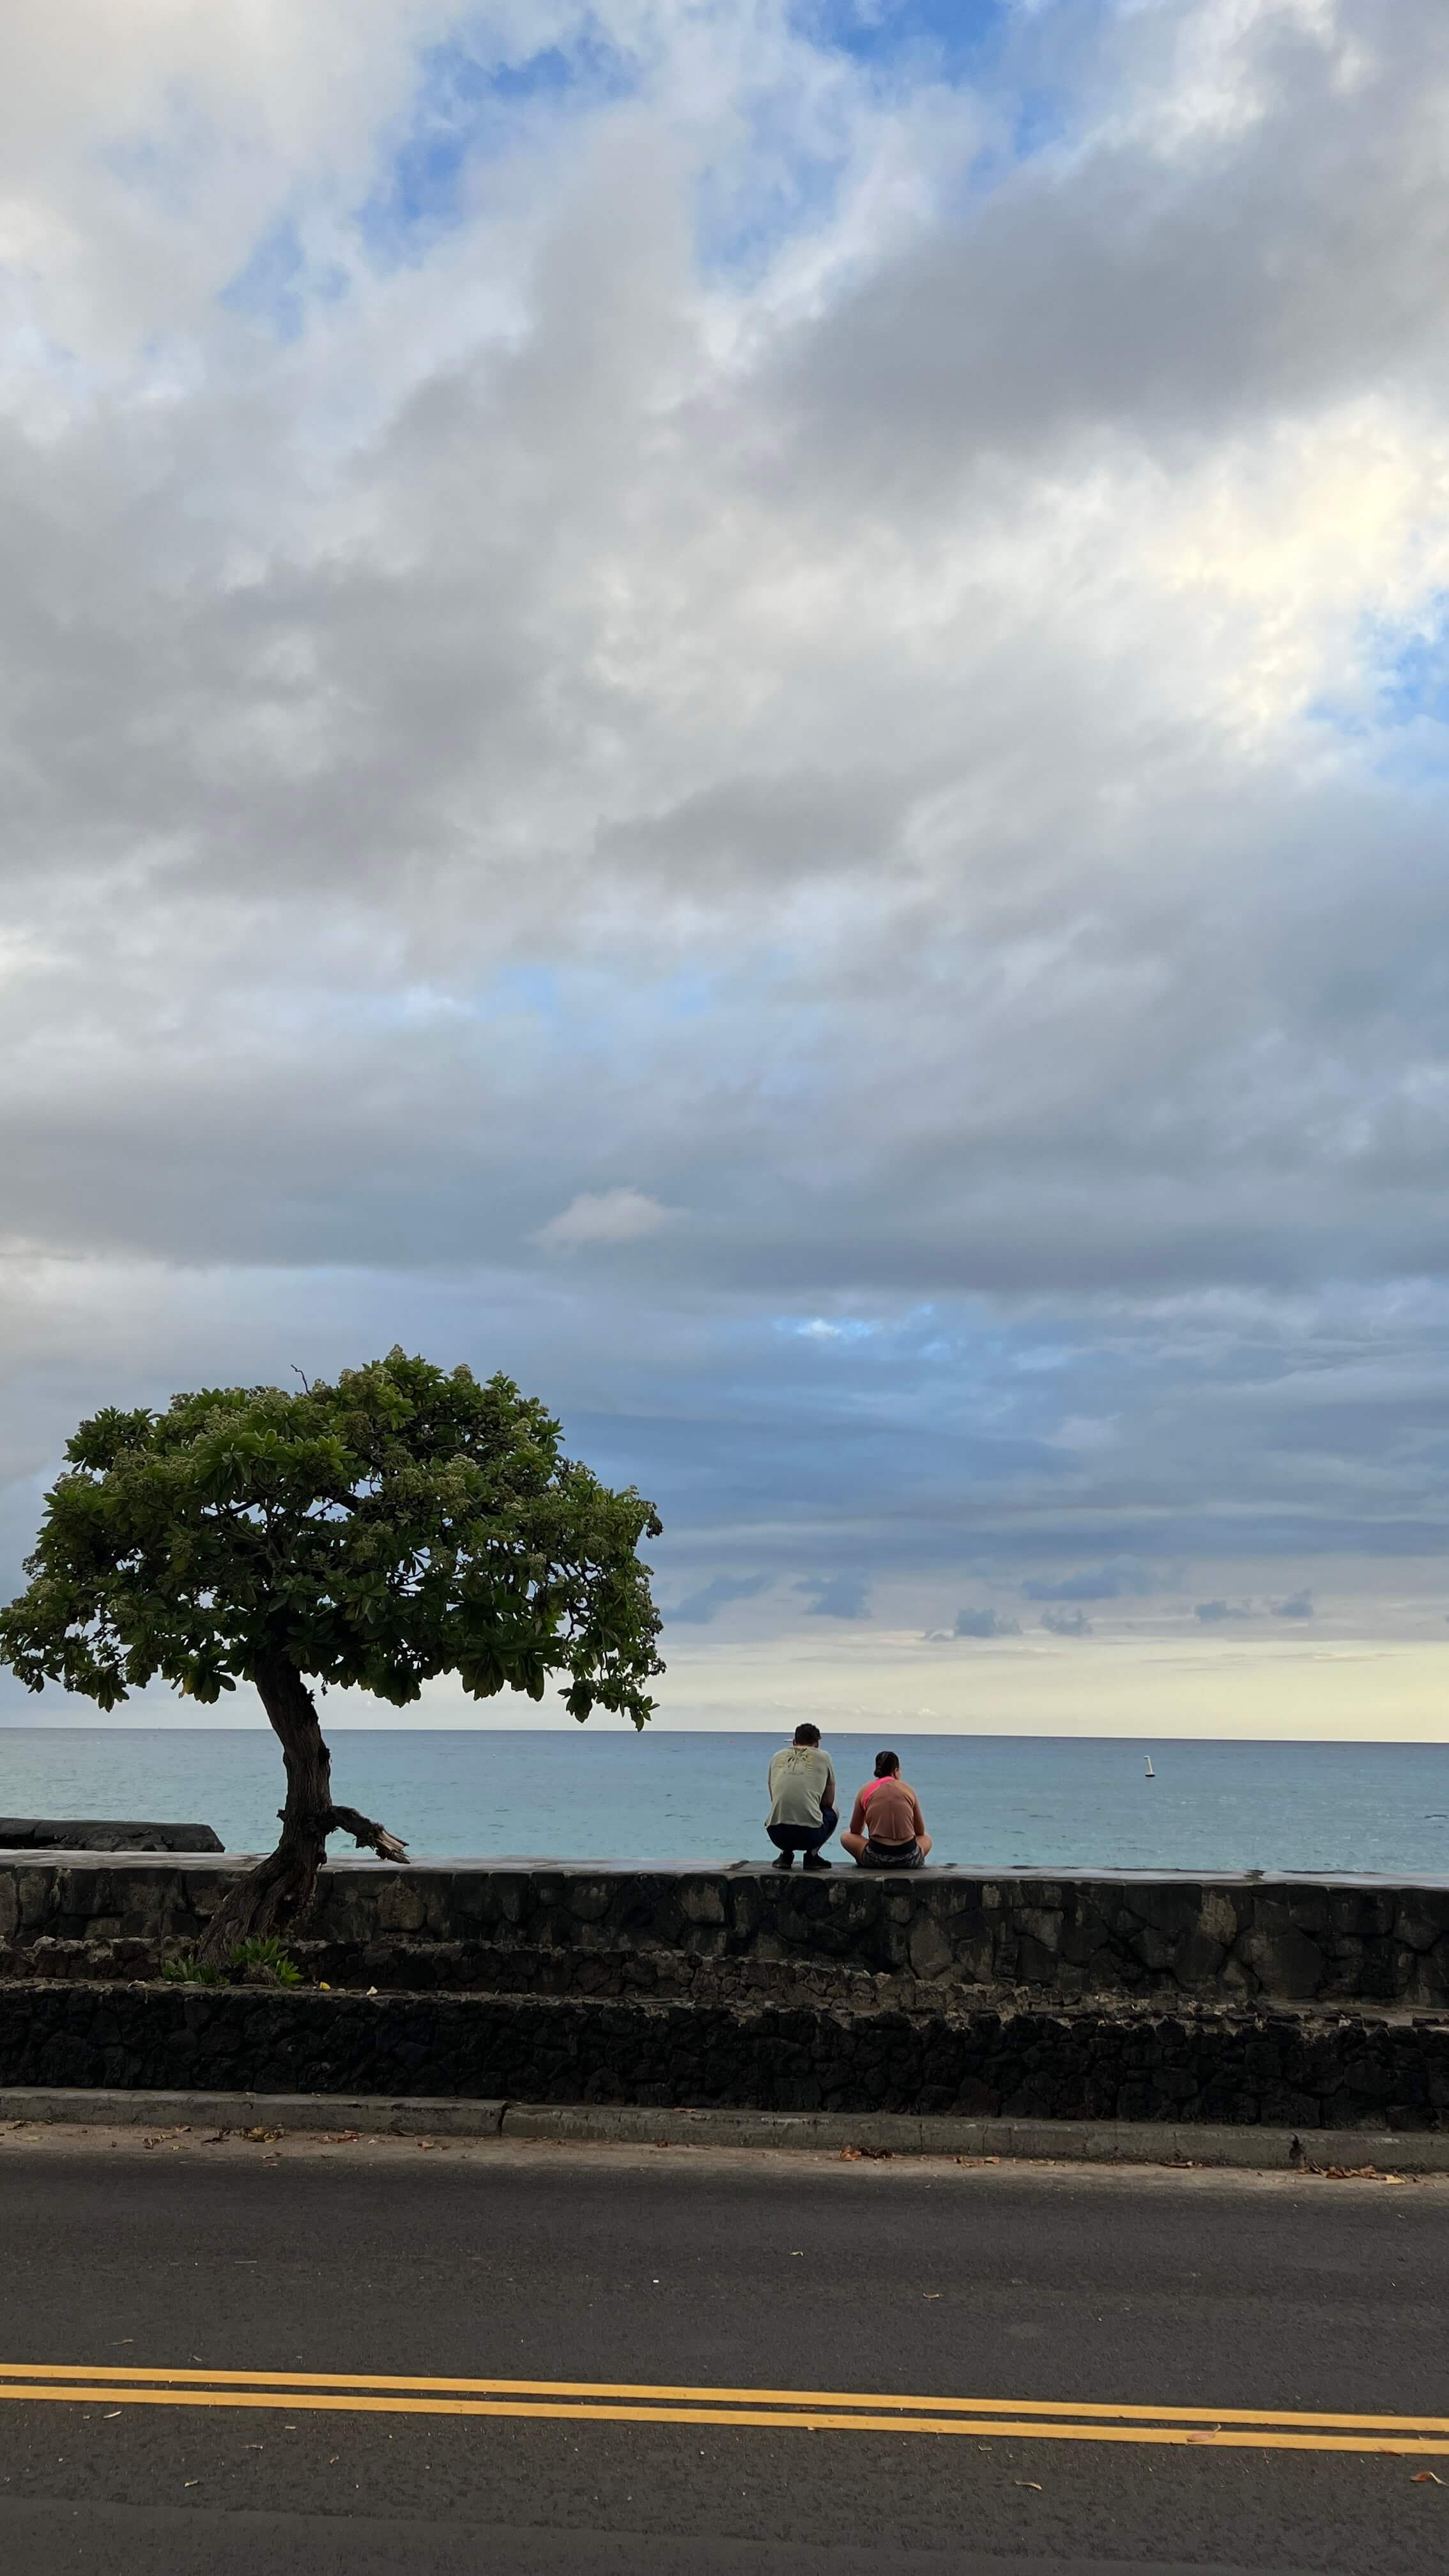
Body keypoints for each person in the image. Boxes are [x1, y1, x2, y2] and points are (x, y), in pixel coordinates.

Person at [841, 1749, 931, 1869]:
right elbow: (920, 1831)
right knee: (927, 1838)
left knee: (846, 1837)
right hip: (910, 1858)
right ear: (896, 1771)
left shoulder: (865, 1790)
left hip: (875, 1858)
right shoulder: (908, 1790)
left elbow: (855, 1830)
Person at [765, 1723, 838, 1871]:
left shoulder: (776, 1757)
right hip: (809, 1835)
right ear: (817, 1743)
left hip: (776, 1834)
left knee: (785, 1806)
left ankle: (785, 1855)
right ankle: (812, 1856)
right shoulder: (824, 1757)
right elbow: (829, 1802)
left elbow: (774, 1796)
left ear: (794, 1742)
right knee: (834, 1810)